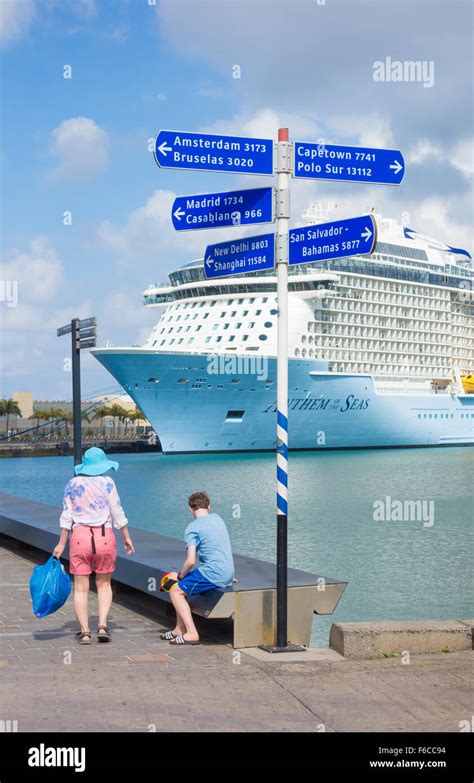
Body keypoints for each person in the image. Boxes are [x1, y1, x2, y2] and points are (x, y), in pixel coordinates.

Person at [53, 447, 135, 644]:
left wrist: (61, 544)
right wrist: (126, 536)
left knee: (81, 588)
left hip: (80, 537)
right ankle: (103, 626)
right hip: (104, 536)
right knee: (104, 584)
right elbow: (117, 511)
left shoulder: (72, 483)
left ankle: (85, 632)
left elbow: (67, 517)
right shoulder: (108, 482)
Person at [161, 491, 235, 646]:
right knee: (181, 586)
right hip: (227, 571)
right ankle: (178, 629)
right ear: (209, 505)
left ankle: (191, 633)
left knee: (176, 591)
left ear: (190, 509)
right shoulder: (218, 519)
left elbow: (190, 561)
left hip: (213, 573)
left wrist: (180, 576)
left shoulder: (192, 528)